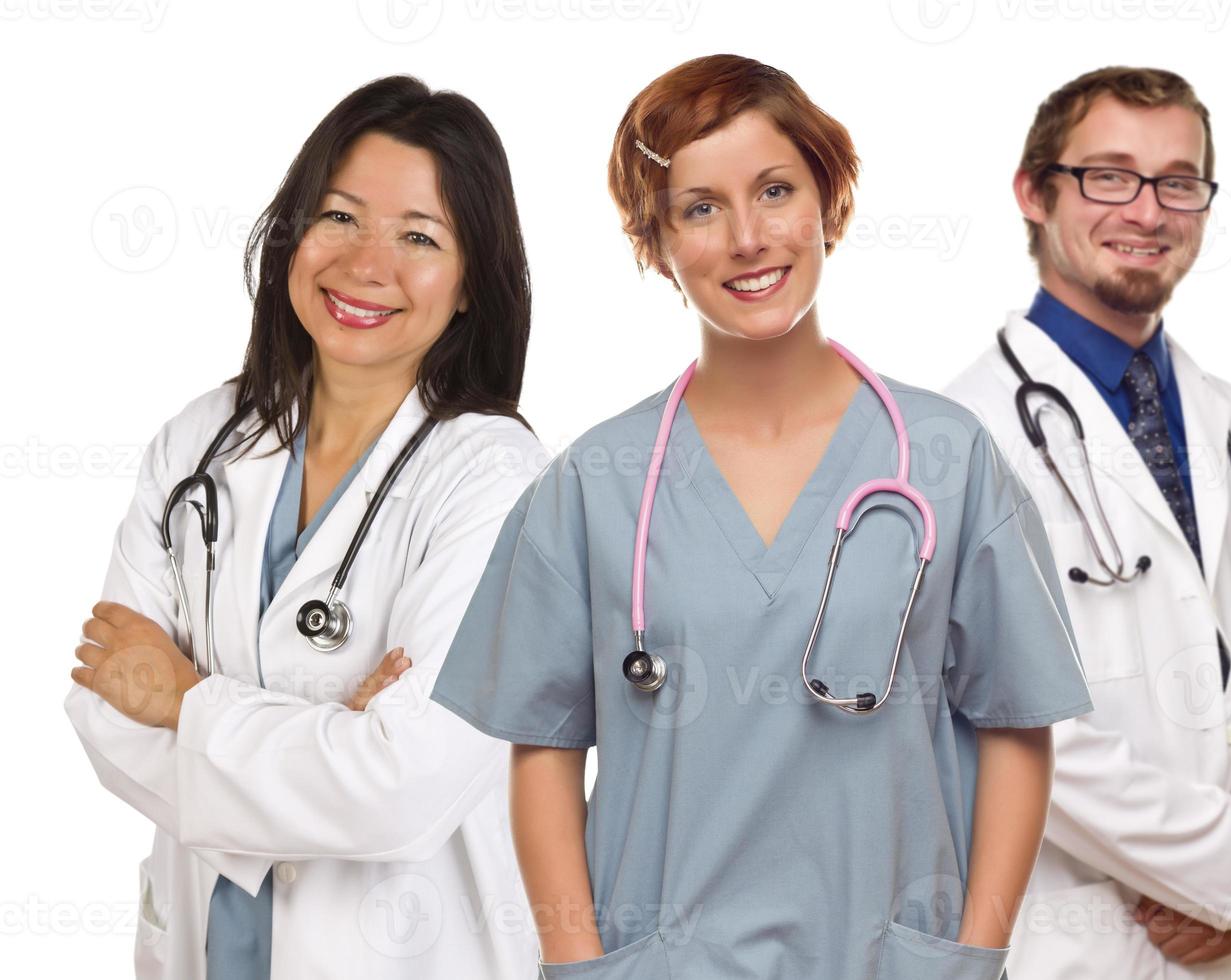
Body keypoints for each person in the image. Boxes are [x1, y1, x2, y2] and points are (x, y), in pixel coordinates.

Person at [427, 54, 1093, 979]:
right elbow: (544, 751)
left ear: (829, 200)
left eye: (775, 190)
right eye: (700, 207)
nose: (747, 236)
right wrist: (580, 965)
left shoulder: (947, 458)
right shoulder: (595, 480)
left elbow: (1017, 724)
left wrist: (972, 956)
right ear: (656, 243)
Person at [64, 75, 543, 979]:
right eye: (340, 217)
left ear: (473, 279)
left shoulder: (496, 479)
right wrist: (329, 738)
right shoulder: (199, 443)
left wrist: (186, 702)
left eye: (418, 237)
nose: (368, 265)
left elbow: (406, 787)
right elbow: (102, 710)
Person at [944, 66, 1231, 979]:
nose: (1149, 210)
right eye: (1110, 175)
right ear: (1034, 193)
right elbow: (1006, 709)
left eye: (1179, 181)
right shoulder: (959, 437)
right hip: (1086, 933)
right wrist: (1221, 866)